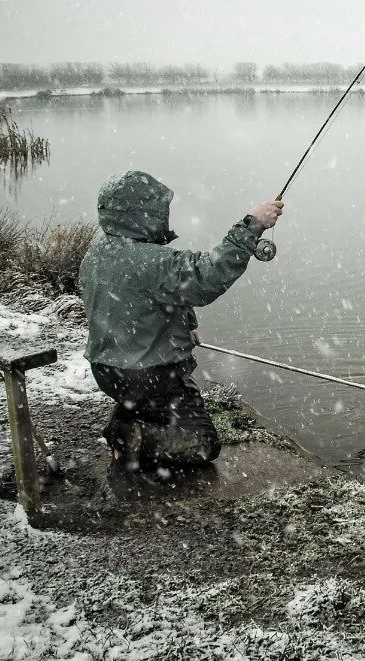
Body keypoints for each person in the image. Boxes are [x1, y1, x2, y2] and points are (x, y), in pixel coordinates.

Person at [80, 170, 282, 474]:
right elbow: (206, 277)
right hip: (150, 377)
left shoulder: (96, 254)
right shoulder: (154, 260)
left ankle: (128, 415)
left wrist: (184, 321)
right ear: (143, 214)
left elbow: (140, 300)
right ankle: (131, 436)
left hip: (107, 373)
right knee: (202, 443)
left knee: (143, 400)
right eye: (159, 209)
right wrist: (251, 225)